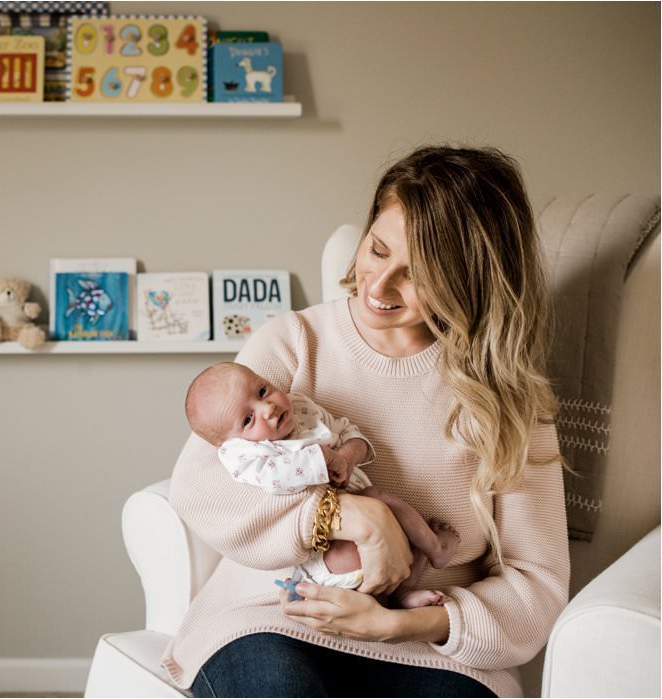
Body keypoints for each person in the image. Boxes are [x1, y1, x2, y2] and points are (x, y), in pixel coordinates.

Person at [162, 145, 569, 698]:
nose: (378, 287)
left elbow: (537, 585)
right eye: (377, 250)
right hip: (274, 619)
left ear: (469, 281)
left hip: (432, 650)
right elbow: (200, 487)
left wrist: (402, 624)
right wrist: (346, 514)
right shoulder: (293, 343)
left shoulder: (512, 399)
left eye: (418, 276)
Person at [184, 361, 460, 609]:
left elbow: (350, 432)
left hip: (376, 534)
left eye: (262, 391)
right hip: (328, 554)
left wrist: (347, 457)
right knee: (381, 501)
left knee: (399, 526)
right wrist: (321, 459)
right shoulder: (243, 455)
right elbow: (277, 479)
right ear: (230, 442)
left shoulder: (302, 408)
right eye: (247, 419)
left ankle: (405, 592)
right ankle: (434, 549)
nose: (267, 408)